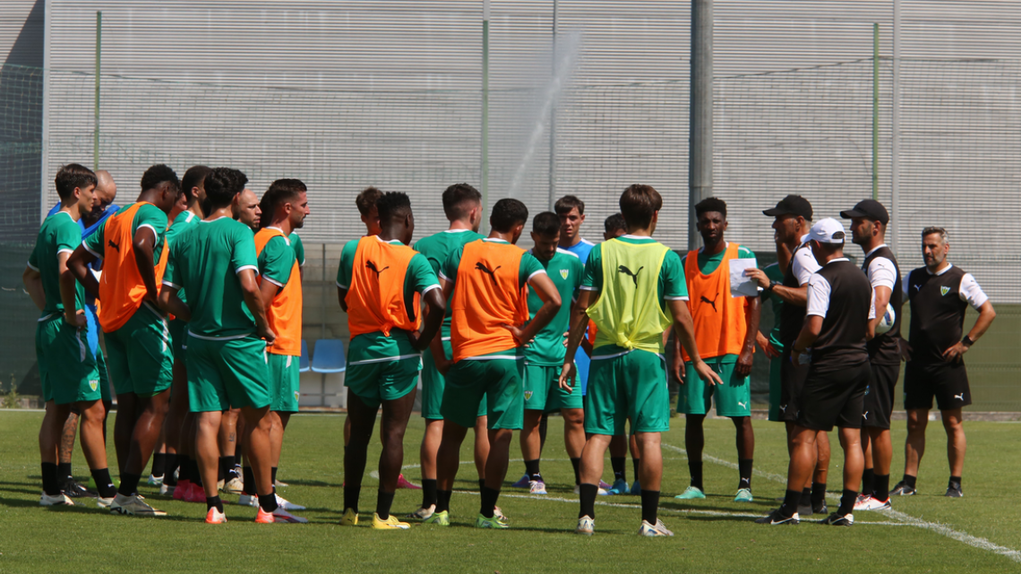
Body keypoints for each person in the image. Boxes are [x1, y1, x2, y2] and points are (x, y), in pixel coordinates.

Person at [566, 184, 721, 537]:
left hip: (605, 354)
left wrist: (568, 357)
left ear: (623, 215)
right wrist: (696, 359)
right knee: (649, 438)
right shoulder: (667, 257)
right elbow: (681, 316)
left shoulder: (600, 252)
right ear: (655, 216)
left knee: (598, 436)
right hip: (647, 355)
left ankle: (586, 517)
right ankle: (649, 522)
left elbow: (581, 309)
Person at [159, 167, 306, 524]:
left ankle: (213, 506)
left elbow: (165, 297)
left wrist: (194, 316)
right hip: (238, 340)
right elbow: (249, 285)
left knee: (207, 420)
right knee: (258, 421)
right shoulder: (239, 232)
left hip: (199, 340)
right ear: (237, 196)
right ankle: (266, 507)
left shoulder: (185, 234)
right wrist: (263, 325)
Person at [427, 198, 561, 528]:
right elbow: (554, 300)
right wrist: (525, 333)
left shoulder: (462, 253)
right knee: (500, 436)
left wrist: (439, 356)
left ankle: (441, 510)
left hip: (467, 355)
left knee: (452, 436)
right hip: (506, 358)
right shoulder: (522, 258)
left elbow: (436, 305)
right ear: (519, 228)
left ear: (490, 220)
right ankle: (487, 513)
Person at [68, 164, 180, 516]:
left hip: (113, 321)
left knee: (128, 406)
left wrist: (104, 292)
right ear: (165, 191)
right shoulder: (152, 214)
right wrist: (153, 293)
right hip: (142, 318)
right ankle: (128, 494)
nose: (174, 206)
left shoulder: (115, 218)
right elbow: (144, 244)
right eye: (174, 198)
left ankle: (124, 493)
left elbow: (76, 262)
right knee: (157, 406)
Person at [336, 191, 445, 529]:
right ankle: (382, 516)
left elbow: (343, 298)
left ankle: (349, 511)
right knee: (394, 434)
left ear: (379, 219)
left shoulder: (353, 249)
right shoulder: (415, 259)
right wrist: (422, 341)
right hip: (400, 352)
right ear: (408, 220)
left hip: (362, 351)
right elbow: (438, 304)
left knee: (358, 436)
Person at [757, 218, 875, 527]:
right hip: (860, 363)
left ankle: (789, 509)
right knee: (852, 439)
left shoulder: (822, 278)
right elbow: (871, 327)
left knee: (803, 437)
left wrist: (797, 349)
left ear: (818, 245)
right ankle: (845, 511)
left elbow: (813, 326)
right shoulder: (862, 277)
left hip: (829, 366)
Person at [24, 163, 117, 507]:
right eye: (92, 192)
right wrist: (67, 312)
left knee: (57, 409)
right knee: (94, 409)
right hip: (67, 329)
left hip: (48, 326)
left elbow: (29, 277)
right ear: (77, 192)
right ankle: (109, 494)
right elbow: (67, 271)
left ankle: (51, 492)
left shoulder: (49, 224)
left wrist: (50, 309)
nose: (96, 199)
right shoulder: (67, 226)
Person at [892, 227, 995, 498]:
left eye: (933, 246)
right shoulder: (913, 278)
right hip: (917, 364)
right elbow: (888, 307)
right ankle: (909, 483)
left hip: (948, 366)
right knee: (914, 422)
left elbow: (988, 311)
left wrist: (966, 343)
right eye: (924, 246)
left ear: (945, 248)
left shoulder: (961, 278)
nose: (927, 251)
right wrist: (897, 339)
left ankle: (955, 484)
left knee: (952, 422)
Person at [408, 183, 492, 520]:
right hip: (475, 339)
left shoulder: (423, 246)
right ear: (474, 211)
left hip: (436, 339)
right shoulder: (483, 246)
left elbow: (415, 296)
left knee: (436, 421)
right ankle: (489, 503)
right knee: (483, 422)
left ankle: (431, 502)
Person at [746, 195, 830, 516]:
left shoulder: (805, 254)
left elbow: (811, 294)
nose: (774, 224)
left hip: (801, 351)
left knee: (799, 429)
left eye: (780, 219)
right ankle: (814, 497)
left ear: (799, 222)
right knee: (810, 426)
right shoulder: (805, 253)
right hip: (811, 351)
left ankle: (801, 498)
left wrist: (770, 286)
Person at [674, 197, 760, 502]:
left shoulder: (739, 255)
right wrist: (678, 353)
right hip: (696, 354)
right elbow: (680, 312)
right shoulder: (686, 262)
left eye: (716, 221)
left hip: (731, 351)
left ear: (725, 223)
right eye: (705, 222)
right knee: (693, 417)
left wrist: (748, 349)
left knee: (741, 418)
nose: (711, 226)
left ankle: (744, 485)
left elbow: (753, 304)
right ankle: (695, 485)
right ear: (698, 225)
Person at [240, 180, 311, 513]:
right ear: (287, 208)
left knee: (256, 419)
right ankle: (264, 493)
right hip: (277, 341)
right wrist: (265, 329)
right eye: (304, 204)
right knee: (274, 419)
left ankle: (251, 489)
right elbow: (262, 298)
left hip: (260, 341)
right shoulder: (280, 244)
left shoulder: (255, 239)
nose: (308, 210)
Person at [517, 212, 585, 495]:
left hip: (563, 355)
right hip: (531, 355)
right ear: (533, 236)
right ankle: (534, 477)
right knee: (533, 418)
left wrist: (578, 332)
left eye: (555, 242)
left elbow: (586, 300)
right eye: (545, 243)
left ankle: (583, 479)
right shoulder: (521, 262)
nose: (550, 248)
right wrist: (521, 331)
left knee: (576, 415)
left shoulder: (571, 262)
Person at [841, 200, 902, 511]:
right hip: (871, 355)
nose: (852, 227)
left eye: (858, 221)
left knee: (877, 425)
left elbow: (880, 303)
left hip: (880, 356)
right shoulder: (871, 259)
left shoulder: (880, 262)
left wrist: (862, 334)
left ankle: (881, 495)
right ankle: (868, 491)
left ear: (875, 226)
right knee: (865, 424)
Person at [161, 165, 211, 502]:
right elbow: (163, 272)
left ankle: (175, 476)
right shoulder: (185, 225)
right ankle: (172, 475)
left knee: (186, 403)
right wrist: (187, 313)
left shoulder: (196, 224)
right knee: (183, 403)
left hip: (189, 325)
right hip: (185, 326)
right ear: (195, 191)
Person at [598, 213, 642, 496]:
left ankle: (639, 480)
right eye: (615, 238)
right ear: (606, 237)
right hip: (607, 352)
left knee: (638, 421)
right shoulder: (600, 261)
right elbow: (584, 307)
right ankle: (619, 479)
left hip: (640, 351)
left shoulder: (647, 261)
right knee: (611, 424)